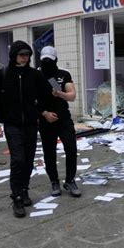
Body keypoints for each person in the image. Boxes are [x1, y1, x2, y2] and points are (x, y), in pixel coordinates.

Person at [0, 41, 49, 218]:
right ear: (14, 55)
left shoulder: (34, 75)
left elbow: (45, 94)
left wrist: (45, 110)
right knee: (18, 159)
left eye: (28, 55)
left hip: (31, 124)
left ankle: (24, 190)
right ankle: (16, 197)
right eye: (22, 54)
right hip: (12, 124)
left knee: (29, 160)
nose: (25, 58)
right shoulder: (2, 75)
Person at [38, 46, 81, 198]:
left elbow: (72, 96)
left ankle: (70, 180)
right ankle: (54, 181)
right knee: (49, 152)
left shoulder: (62, 74)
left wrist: (60, 93)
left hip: (63, 118)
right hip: (45, 119)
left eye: (50, 59)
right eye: (44, 60)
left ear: (55, 59)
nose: (47, 62)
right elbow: (30, 100)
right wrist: (44, 113)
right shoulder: (36, 74)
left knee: (71, 148)